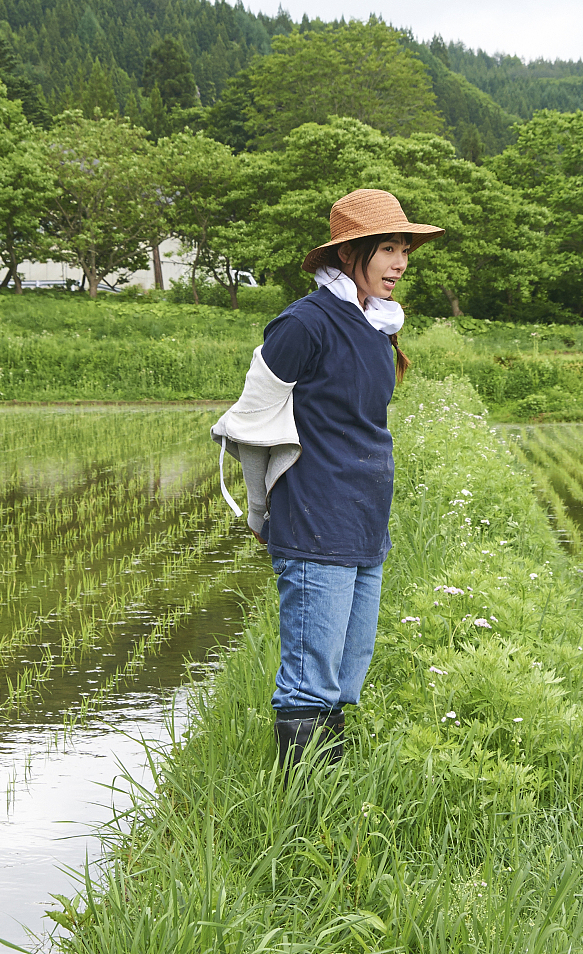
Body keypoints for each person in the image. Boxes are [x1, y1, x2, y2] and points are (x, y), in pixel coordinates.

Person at [211, 189, 443, 767]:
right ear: (348, 256)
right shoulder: (306, 323)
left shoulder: (376, 325)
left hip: (364, 519)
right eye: (388, 249)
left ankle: (330, 799)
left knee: (346, 678)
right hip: (316, 519)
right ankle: (298, 813)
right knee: (311, 679)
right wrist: (264, 511)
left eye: (404, 249)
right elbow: (249, 421)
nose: (401, 263)